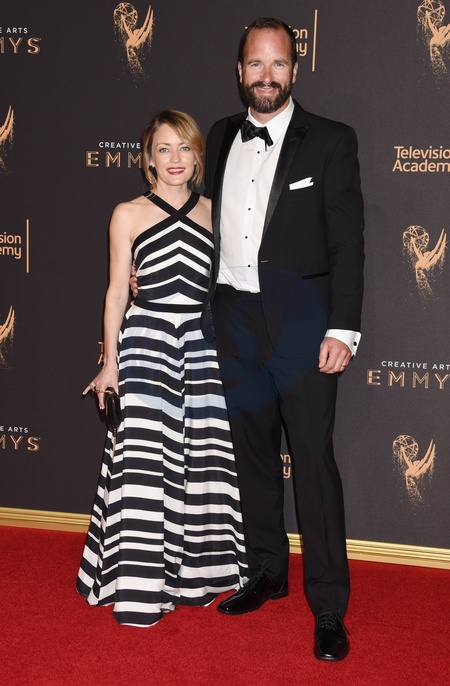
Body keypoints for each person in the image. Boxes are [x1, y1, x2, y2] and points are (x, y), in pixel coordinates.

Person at [202, 18, 364, 661]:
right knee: (254, 457)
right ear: (239, 71)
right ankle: (267, 571)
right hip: (236, 319)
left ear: (295, 70)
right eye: (255, 64)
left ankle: (328, 606)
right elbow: (202, 220)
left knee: (313, 465)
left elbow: (347, 243)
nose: (265, 76)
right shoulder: (219, 135)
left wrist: (343, 327)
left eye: (277, 64)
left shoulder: (331, 140)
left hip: (303, 324)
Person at [77, 109, 247, 627]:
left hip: (200, 348)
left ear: (198, 156)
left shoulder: (216, 211)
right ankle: (140, 585)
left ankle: (195, 575)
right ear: (148, 159)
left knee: (199, 461)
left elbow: (232, 283)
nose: (175, 159)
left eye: (185, 148)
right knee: (144, 465)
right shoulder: (127, 214)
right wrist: (110, 364)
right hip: (146, 343)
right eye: (164, 149)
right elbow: (115, 292)